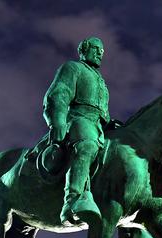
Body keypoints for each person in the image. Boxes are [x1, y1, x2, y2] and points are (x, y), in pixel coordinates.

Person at [43, 37, 109, 224]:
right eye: (96, 49)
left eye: (102, 51)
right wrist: (57, 122)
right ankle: (72, 202)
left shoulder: (101, 81)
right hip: (77, 119)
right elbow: (58, 94)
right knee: (87, 145)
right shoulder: (73, 68)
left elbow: (103, 112)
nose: (99, 54)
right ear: (84, 50)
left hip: (98, 125)